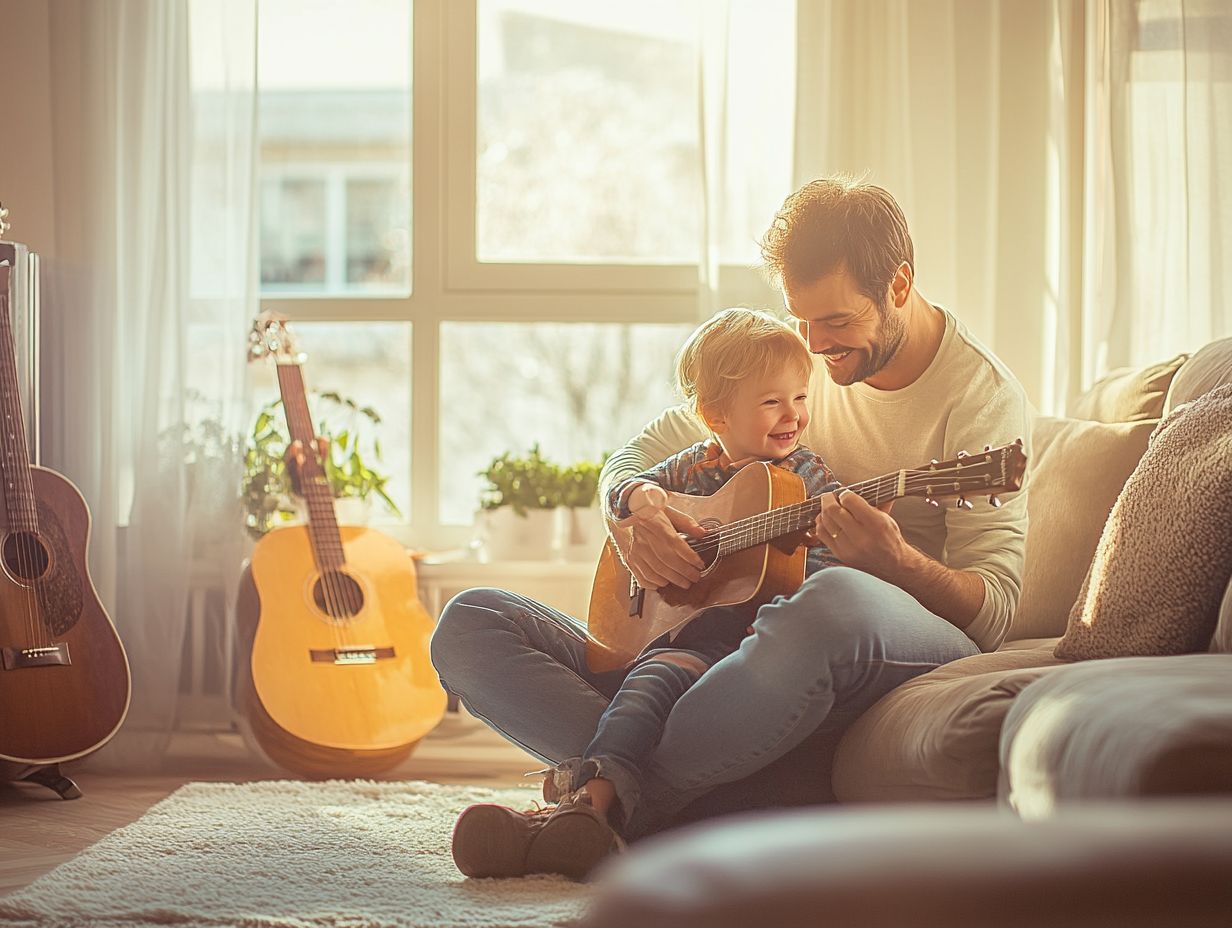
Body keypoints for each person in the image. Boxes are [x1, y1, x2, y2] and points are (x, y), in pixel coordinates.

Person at [430, 175, 1031, 879]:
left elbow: (994, 615)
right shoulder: (788, 366)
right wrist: (634, 508)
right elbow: (639, 456)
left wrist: (895, 562)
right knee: (467, 623)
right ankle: (655, 808)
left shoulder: (981, 398)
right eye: (800, 320)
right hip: (722, 647)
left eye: (834, 323)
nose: (814, 346)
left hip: (870, 633)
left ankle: (607, 804)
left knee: (828, 602)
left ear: (898, 286)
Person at [444, 308, 843, 880]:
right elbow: (633, 481)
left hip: (729, 665)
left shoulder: (807, 480)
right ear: (714, 415)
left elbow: (827, 586)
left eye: (800, 397)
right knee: (472, 615)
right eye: (771, 402)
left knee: (652, 680)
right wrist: (633, 503)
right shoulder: (690, 468)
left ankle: (584, 809)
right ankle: (630, 814)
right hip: (656, 640)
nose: (794, 415)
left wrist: (822, 548)